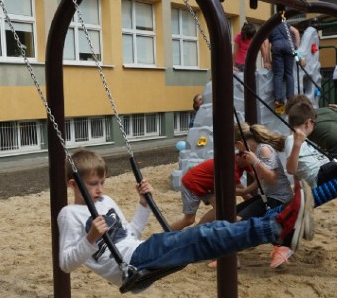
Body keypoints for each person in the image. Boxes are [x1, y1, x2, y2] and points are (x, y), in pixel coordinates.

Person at [57, 149, 314, 289]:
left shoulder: (106, 202)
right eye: (93, 184)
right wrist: (91, 239)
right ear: (73, 184)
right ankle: (277, 226)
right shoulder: (70, 215)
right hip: (129, 265)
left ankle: (279, 228)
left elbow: (131, 233)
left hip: (139, 250)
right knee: (202, 235)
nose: (100, 189)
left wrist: (144, 204)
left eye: (102, 182)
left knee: (211, 233)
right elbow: (66, 265)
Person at [234, 122, 296, 268]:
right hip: (268, 195)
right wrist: (245, 191)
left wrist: (255, 162)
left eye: (237, 148)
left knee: (238, 220)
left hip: (279, 197)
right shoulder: (255, 153)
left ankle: (231, 256)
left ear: (239, 143)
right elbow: (261, 179)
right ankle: (230, 254)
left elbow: (271, 178)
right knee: (233, 214)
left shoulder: (264, 150)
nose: (238, 152)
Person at [169, 158, 245, 231]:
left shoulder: (243, 162)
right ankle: (163, 234)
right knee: (189, 220)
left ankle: (196, 231)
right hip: (193, 184)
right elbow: (242, 191)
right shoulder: (233, 166)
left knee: (220, 207)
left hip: (207, 186)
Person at [262, 21, 301, 112]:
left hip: (277, 46)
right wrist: (296, 47)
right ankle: (290, 99)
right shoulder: (284, 24)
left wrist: (266, 61)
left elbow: (266, 46)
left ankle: (278, 100)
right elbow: (296, 32)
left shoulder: (269, 27)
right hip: (289, 46)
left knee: (278, 73)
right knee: (289, 73)